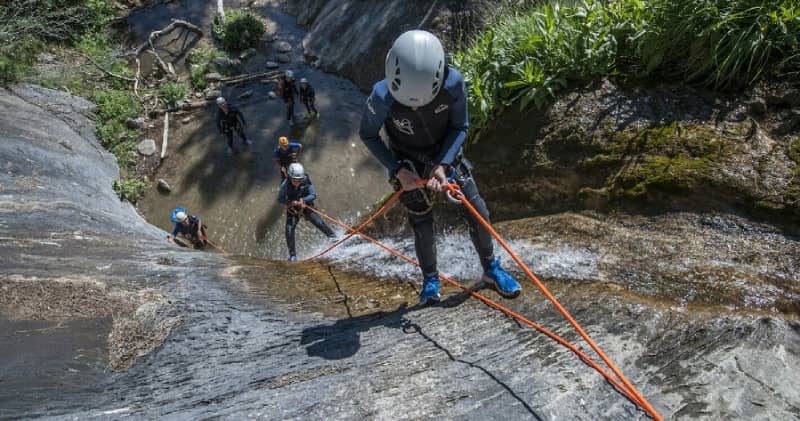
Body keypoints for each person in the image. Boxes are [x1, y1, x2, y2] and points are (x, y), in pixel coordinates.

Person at [359, 30, 522, 305]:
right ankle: (431, 280)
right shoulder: (382, 95)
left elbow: (460, 126)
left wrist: (443, 165)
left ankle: (492, 269)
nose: (411, 109)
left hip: (446, 157)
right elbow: (369, 135)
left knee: (477, 211)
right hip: (408, 163)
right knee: (422, 223)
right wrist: (397, 170)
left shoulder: (453, 84)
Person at [278, 162, 335, 261]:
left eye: (299, 180)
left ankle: (333, 238)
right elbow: (280, 199)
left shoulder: (306, 180)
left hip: (306, 205)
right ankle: (293, 255)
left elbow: (313, 195)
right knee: (289, 230)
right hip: (293, 209)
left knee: (318, 222)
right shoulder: (285, 184)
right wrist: (292, 202)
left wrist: (303, 200)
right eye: (295, 180)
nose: (297, 182)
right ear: (290, 178)